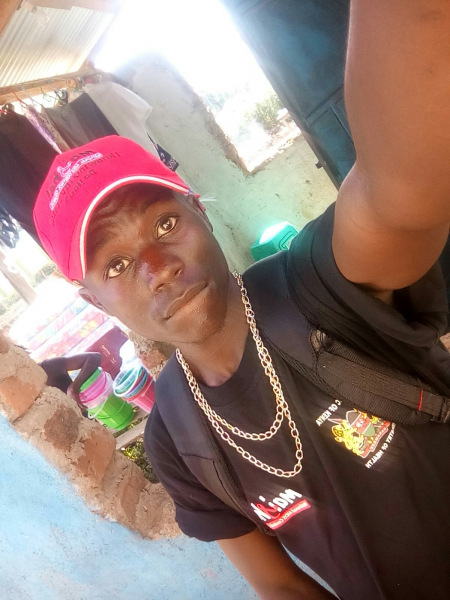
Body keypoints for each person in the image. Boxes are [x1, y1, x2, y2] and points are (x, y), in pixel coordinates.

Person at [32, 2, 450, 598]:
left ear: (200, 213)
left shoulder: (317, 286)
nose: (158, 269)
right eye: (116, 265)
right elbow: (280, 585)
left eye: (165, 224)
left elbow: (400, 191)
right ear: (95, 302)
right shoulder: (177, 440)